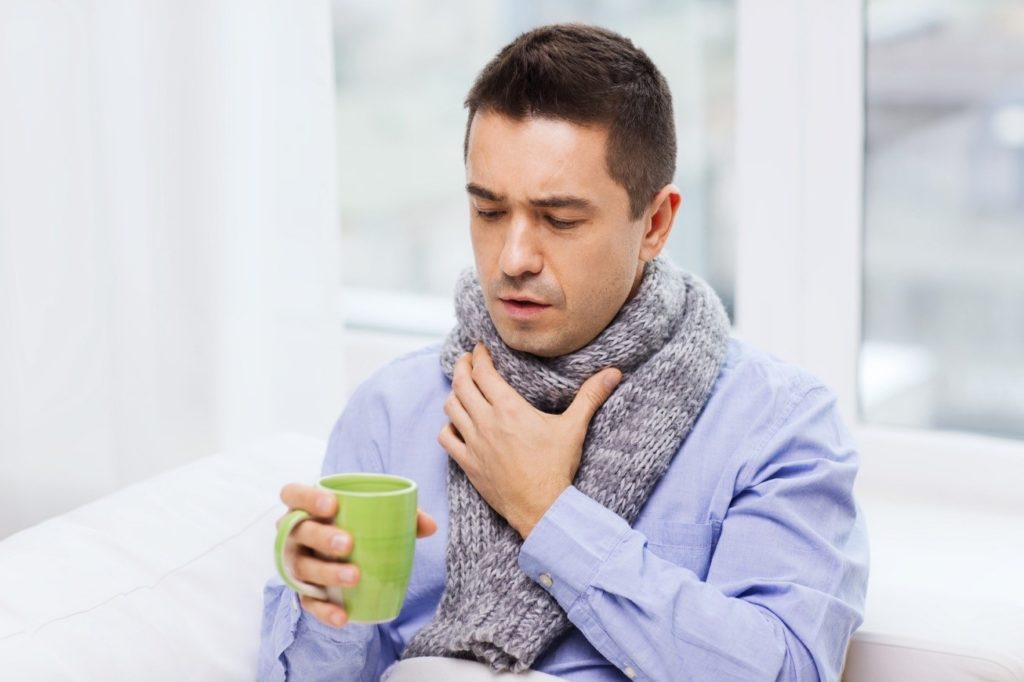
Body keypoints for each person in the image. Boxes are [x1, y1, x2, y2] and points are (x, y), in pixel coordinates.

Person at [258, 23, 868, 682]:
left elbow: (785, 672)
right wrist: (319, 599)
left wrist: (548, 512)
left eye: (560, 220)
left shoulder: (776, 424)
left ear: (656, 223)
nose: (514, 258)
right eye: (490, 212)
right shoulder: (391, 412)